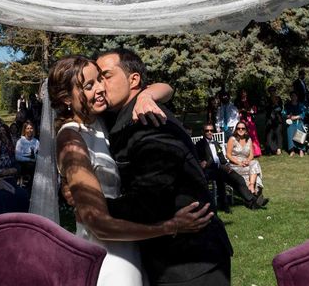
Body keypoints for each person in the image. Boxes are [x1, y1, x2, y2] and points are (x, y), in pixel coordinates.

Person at [49, 55, 218, 286]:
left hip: (136, 244)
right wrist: (170, 226)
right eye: (90, 85)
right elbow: (97, 222)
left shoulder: (100, 122)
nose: (100, 89)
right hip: (110, 252)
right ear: (66, 98)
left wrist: (146, 94)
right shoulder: (71, 139)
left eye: (101, 78)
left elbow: (167, 88)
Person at [95, 50, 233, 285]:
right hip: (167, 256)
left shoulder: (149, 121)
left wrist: (90, 205)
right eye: (96, 80)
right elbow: (166, 88)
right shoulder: (119, 116)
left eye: (106, 76)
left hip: (191, 261)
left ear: (134, 79)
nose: (99, 86)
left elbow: (149, 201)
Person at [196, 124, 268, 212]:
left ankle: (252, 202)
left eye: (211, 130)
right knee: (222, 178)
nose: (209, 132)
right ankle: (249, 201)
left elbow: (222, 158)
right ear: (203, 132)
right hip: (210, 170)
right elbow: (202, 162)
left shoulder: (216, 143)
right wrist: (206, 163)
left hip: (222, 168)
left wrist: (227, 166)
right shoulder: (199, 145)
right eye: (207, 131)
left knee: (239, 179)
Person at [226, 122, 266, 197]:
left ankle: (251, 186)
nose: (240, 130)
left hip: (246, 163)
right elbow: (228, 155)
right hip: (235, 165)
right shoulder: (232, 139)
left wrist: (247, 160)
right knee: (255, 172)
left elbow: (251, 155)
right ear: (236, 130)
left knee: (255, 163)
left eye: (243, 128)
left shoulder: (249, 139)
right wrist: (239, 163)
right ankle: (256, 193)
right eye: (238, 128)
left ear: (246, 130)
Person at [235, 89, 261, 157]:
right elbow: (236, 111)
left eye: (244, 92)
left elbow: (254, 110)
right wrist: (241, 110)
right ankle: (246, 152)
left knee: (253, 135)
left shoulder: (250, 101)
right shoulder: (237, 102)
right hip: (242, 120)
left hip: (250, 120)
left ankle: (256, 152)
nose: (243, 94)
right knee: (244, 135)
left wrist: (251, 111)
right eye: (242, 93)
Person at [283, 92, 306, 157]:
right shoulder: (287, 105)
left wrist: (296, 117)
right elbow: (284, 113)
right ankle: (292, 150)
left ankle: (301, 150)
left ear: (297, 97)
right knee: (290, 130)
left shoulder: (300, 105)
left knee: (300, 130)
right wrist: (288, 116)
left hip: (298, 121)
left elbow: (303, 114)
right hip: (290, 122)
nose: (293, 97)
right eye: (292, 96)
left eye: (295, 96)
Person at [264, 86, 284, 155]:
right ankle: (272, 149)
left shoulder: (279, 99)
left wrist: (275, 104)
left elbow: (280, 108)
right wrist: (272, 106)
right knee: (269, 134)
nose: (272, 92)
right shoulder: (267, 99)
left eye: (273, 91)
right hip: (270, 119)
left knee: (278, 133)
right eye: (270, 91)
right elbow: (266, 109)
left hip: (278, 119)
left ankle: (279, 148)